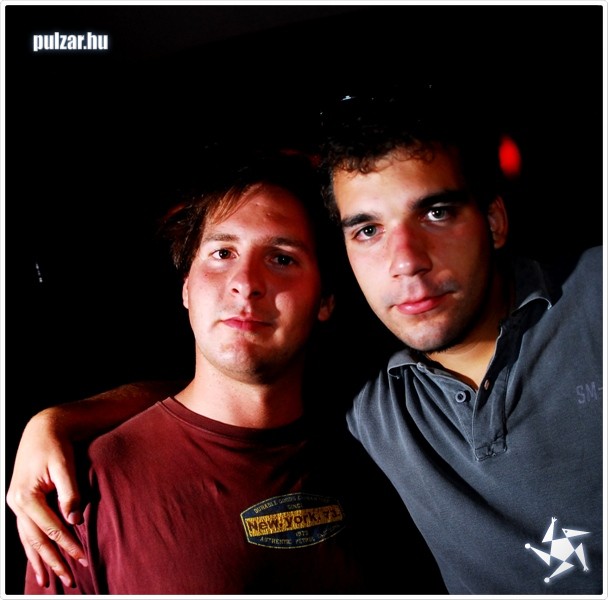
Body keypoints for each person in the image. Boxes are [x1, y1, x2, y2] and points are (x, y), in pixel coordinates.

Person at [7, 82, 603, 594]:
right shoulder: (369, 397)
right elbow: (225, 400)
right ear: (184, 285)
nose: (406, 261)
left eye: (436, 212)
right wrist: (58, 421)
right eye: (367, 229)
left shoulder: (368, 413)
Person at [8, 150, 440, 594]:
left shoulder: (381, 450)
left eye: (282, 258)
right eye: (222, 253)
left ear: (325, 300)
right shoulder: (82, 487)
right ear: (186, 288)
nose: (245, 283)